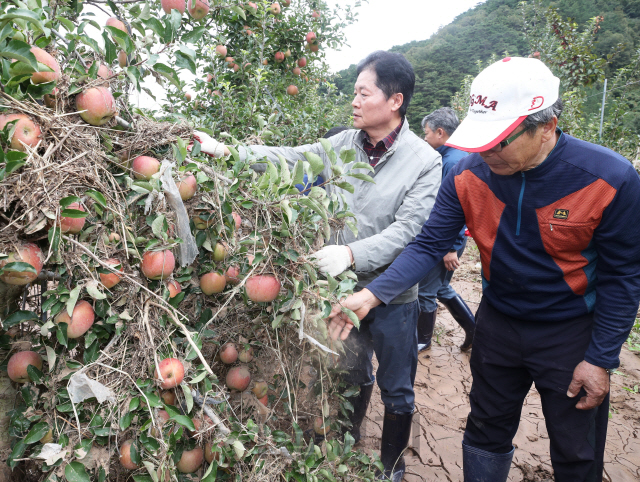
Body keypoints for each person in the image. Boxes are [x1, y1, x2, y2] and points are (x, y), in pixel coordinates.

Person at [325, 57, 640, 482]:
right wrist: (371, 294)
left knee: (576, 447)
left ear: (546, 125)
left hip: (570, 332)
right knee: (486, 428)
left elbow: (624, 276)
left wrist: (600, 358)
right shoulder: (467, 174)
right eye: (481, 139)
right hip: (499, 322)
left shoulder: (608, 178)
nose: (487, 151)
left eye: (500, 141)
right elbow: (430, 244)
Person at [193, 51, 442, 481]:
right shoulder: (344, 144)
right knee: (352, 368)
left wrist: (351, 253)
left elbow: (409, 231)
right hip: (340, 289)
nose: (355, 101)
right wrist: (225, 149)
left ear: (395, 100)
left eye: (364, 92)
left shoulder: (424, 161)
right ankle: (350, 440)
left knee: (397, 385)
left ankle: (392, 466)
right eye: (355, 93)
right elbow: (288, 158)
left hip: (391, 293)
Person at [417, 107, 475, 352]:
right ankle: (474, 330)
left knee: (426, 292)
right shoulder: (454, 155)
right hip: (449, 239)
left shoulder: (452, 161)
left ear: (440, 132)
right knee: (440, 286)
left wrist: (450, 247)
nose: (425, 137)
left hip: (448, 240)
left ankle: (422, 340)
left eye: (427, 133)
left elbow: (457, 208)